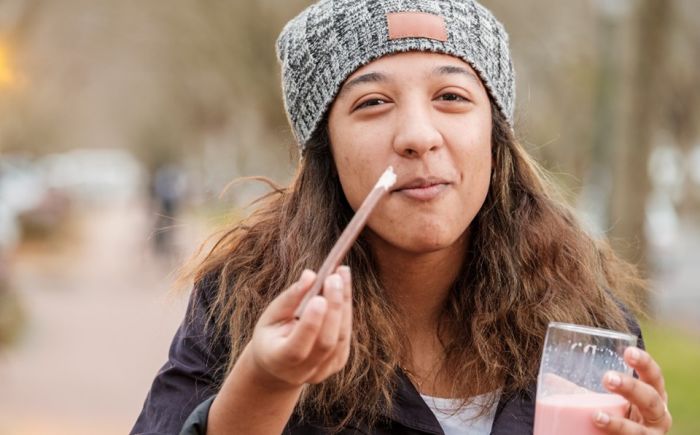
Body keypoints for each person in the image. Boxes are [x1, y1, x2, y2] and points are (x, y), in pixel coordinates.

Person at [131, 0, 673, 434]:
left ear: (494, 138)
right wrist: (265, 385)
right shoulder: (241, 305)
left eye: (452, 96)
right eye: (371, 103)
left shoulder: (587, 326)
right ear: (326, 152)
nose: (417, 135)